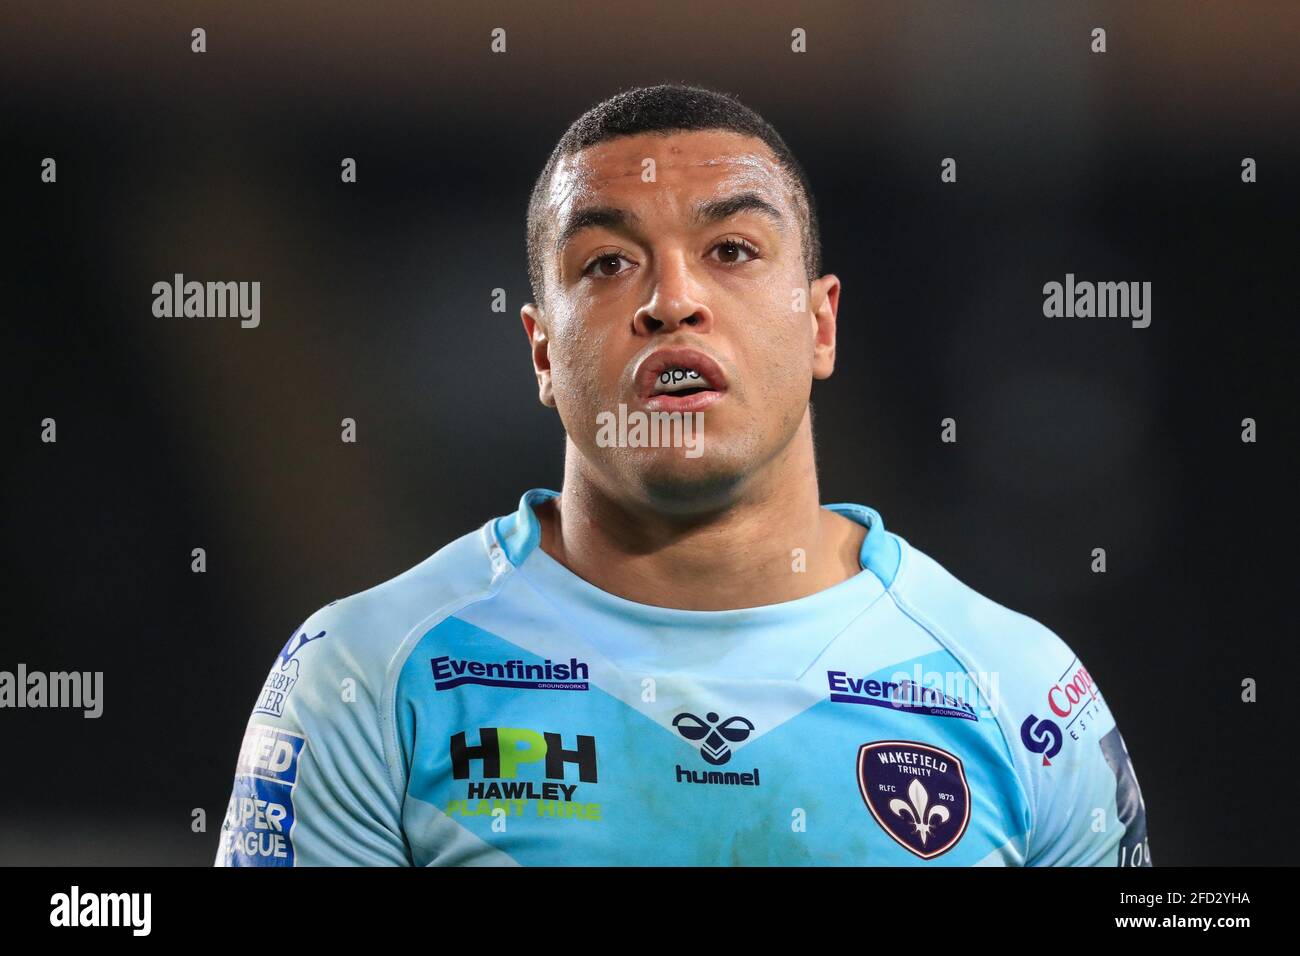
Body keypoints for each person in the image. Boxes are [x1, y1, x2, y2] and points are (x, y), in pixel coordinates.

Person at [215, 84, 1150, 866]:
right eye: (608, 263)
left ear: (821, 326)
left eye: (731, 251)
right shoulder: (366, 678)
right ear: (542, 353)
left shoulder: (1023, 696)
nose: (673, 300)